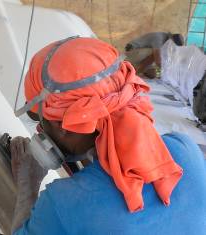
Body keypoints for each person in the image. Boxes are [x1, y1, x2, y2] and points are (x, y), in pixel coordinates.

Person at [11, 37, 206, 235]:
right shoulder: (185, 150)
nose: (40, 132)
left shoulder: (63, 203)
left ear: (63, 126)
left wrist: (29, 182)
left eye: (42, 123)